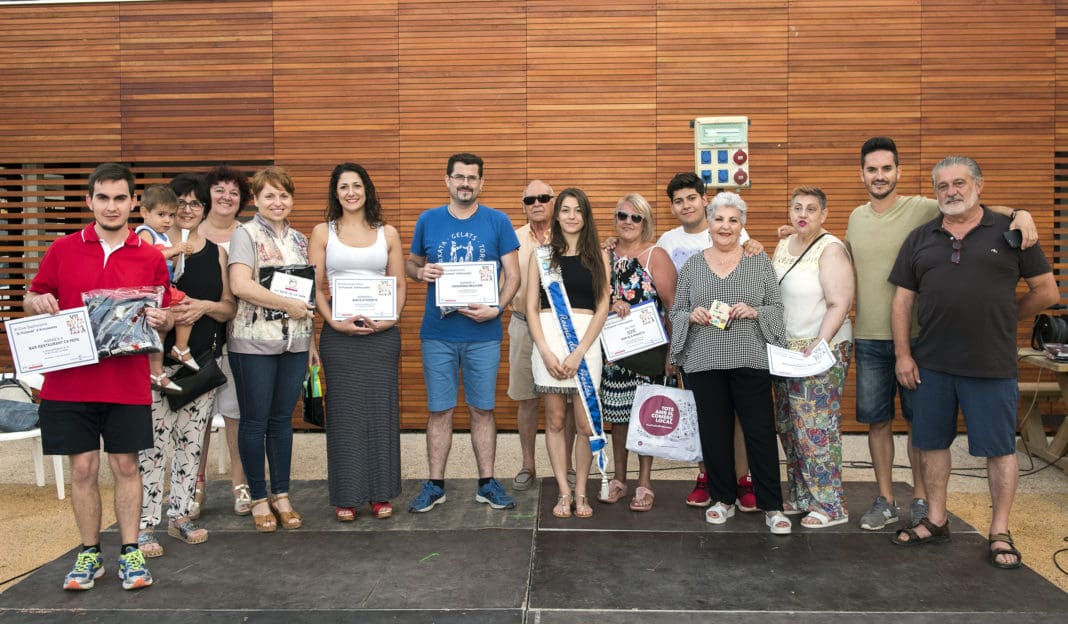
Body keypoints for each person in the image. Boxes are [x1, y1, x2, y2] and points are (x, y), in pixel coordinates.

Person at [845, 137, 1038, 531]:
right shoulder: (855, 217)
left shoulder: (925, 206)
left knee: (922, 426)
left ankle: (921, 500)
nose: (879, 176)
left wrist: (1021, 213)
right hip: (869, 336)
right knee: (877, 422)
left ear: (898, 172)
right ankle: (885, 499)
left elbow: (977, 207)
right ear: (861, 174)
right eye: (872, 169)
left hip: (919, 338)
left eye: (886, 168)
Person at [887, 156, 1056, 569]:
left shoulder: (1012, 231)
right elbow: (903, 301)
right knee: (931, 444)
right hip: (932, 364)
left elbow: (1046, 292)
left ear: (979, 185)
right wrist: (903, 355)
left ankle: (1000, 531)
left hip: (991, 364)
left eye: (959, 183)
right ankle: (936, 519)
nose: (951, 192)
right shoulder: (920, 238)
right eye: (942, 186)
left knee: (999, 450)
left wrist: (1006, 316)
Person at [26, 163, 172, 590]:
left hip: (126, 381)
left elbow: (162, 313)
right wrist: (38, 302)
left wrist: (163, 320)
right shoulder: (63, 248)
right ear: (89, 200)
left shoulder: (150, 256)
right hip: (69, 382)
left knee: (126, 465)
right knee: (83, 468)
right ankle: (89, 553)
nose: (111, 206)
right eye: (103, 198)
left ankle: (130, 552)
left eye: (120, 198)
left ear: (133, 202)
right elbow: (33, 294)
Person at [668, 191, 792, 535]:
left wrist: (756, 311)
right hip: (704, 361)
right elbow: (677, 311)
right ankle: (723, 498)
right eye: (719, 219)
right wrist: (690, 315)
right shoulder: (692, 266)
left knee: (760, 431)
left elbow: (777, 309)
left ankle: (772, 505)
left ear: (742, 226)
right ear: (709, 223)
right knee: (714, 431)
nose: (725, 226)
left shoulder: (759, 261)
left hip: (751, 358)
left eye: (733, 220)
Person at [404, 152, 521, 513]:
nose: (465, 183)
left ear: (482, 183)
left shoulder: (498, 221)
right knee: (440, 410)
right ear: (448, 180)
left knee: (482, 409)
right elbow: (411, 263)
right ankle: (435, 484)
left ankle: (487, 483)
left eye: (472, 178)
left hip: (483, 334)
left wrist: (496, 309)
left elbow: (514, 275)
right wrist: (419, 273)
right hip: (437, 332)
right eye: (459, 177)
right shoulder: (428, 220)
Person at [137, 177, 236, 556]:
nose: (188, 210)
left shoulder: (216, 253)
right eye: (180, 203)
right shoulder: (147, 248)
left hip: (200, 362)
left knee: (191, 444)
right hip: (154, 363)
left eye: (196, 203)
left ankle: (179, 516)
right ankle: (144, 525)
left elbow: (228, 307)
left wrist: (202, 307)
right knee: (151, 447)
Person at [309, 162, 406, 521]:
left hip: (382, 335)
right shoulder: (323, 232)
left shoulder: (388, 233)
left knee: (381, 413)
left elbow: (399, 284)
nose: (351, 192)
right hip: (340, 334)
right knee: (345, 415)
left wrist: (390, 320)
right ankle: (347, 496)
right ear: (335, 193)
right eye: (343, 187)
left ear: (367, 190)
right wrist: (333, 322)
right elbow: (315, 287)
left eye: (356, 186)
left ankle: (381, 494)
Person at [658, 172, 760, 510]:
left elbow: (754, 268)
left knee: (738, 415)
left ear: (705, 200)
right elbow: (669, 300)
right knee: (703, 414)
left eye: (691, 198)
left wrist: (757, 244)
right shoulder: (667, 242)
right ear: (672, 207)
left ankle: (743, 479)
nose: (686, 205)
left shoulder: (732, 230)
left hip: (736, 339)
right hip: (694, 342)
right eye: (678, 201)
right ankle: (708, 477)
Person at [227, 165, 318, 532]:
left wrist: (311, 342)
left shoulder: (299, 239)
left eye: (284, 195)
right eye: (269, 195)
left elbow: (308, 295)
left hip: (296, 342)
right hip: (253, 344)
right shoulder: (244, 234)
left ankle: (281, 494)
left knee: (282, 421)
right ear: (256, 199)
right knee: (255, 421)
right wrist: (287, 305)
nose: (277, 202)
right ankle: (259, 497)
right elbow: (240, 285)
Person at [772, 186, 854, 528]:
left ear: (824, 214)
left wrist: (819, 345)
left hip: (822, 349)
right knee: (790, 426)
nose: (803, 214)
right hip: (787, 351)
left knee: (816, 428)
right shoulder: (784, 243)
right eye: (797, 208)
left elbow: (839, 303)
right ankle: (802, 496)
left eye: (810, 209)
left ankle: (830, 505)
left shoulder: (831, 249)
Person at [525, 188, 610, 519]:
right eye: (565, 210)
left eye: (578, 210)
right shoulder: (542, 256)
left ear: (586, 216)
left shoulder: (599, 256)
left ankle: (581, 491)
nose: (572, 216)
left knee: (585, 425)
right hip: (549, 344)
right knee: (556, 420)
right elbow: (531, 308)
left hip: (585, 346)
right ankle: (563, 491)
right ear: (556, 215)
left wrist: (580, 352)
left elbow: (602, 307)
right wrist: (545, 352)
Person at [599, 193, 676, 511]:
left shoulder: (656, 255)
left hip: (649, 355)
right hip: (614, 355)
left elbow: (672, 307)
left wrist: (672, 354)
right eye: (622, 215)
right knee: (618, 420)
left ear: (646, 222)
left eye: (636, 217)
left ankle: (644, 482)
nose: (628, 222)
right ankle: (619, 479)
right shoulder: (604, 253)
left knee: (646, 419)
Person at [192, 166, 252, 518]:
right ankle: (194, 483)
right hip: (195, 337)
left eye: (234, 192)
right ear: (207, 194)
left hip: (239, 337)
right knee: (195, 416)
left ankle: (240, 483)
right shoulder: (189, 233)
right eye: (220, 190)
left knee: (235, 414)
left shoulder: (247, 234)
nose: (226, 197)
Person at [510, 180, 576, 492]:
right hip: (523, 324)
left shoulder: (569, 235)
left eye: (543, 197)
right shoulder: (512, 239)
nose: (536, 203)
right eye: (530, 199)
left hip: (562, 327)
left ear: (553, 202)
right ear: (523, 205)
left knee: (568, 399)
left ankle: (569, 465)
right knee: (526, 399)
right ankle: (528, 465)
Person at [135, 185, 196, 393]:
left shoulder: (163, 236)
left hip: (163, 287)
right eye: (161, 214)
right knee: (186, 306)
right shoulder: (145, 232)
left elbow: (167, 262)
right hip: (153, 289)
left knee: (160, 332)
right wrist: (174, 250)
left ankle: (157, 371)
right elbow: (147, 258)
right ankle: (180, 349)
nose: (168, 220)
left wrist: (181, 255)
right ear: (144, 212)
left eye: (171, 215)